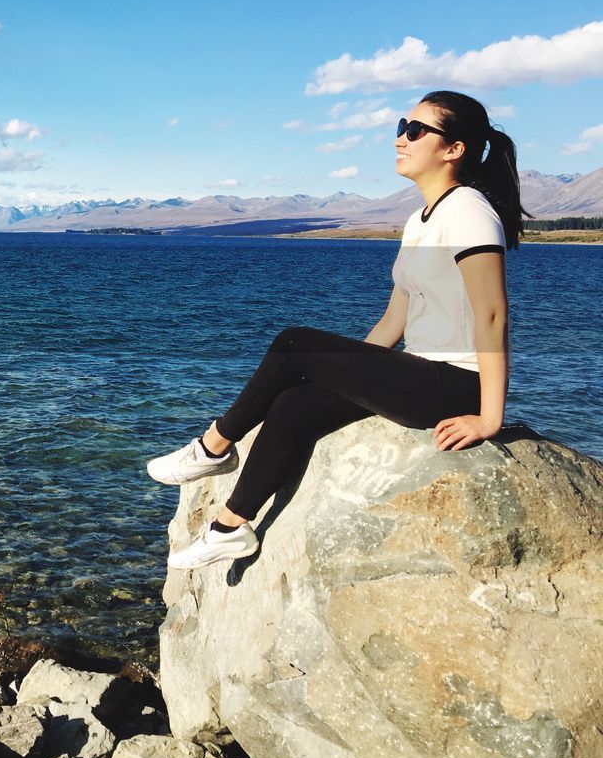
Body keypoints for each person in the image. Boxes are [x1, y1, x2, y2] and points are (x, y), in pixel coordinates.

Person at [148, 90, 530, 568]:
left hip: (455, 384)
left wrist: (489, 416)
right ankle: (230, 527)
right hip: (417, 371)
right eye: (400, 127)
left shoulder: (468, 210)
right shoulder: (420, 220)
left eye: (415, 131)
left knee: (294, 342)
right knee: (293, 402)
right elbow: (395, 320)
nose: (400, 139)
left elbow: (493, 313)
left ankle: (214, 447)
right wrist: (339, 371)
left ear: (454, 149)